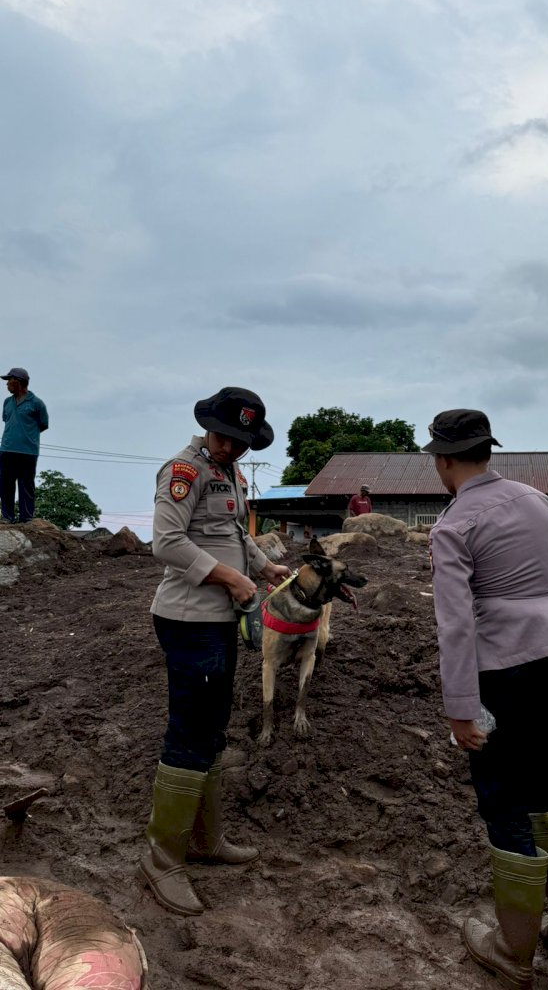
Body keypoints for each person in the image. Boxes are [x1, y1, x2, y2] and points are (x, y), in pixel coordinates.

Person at [424, 409, 548, 990]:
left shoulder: (453, 526)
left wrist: (459, 704)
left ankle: (513, 950)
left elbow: (455, 626)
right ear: (486, 451)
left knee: (502, 799)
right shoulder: (539, 502)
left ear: (443, 460)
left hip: (502, 672)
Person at [140, 387, 292, 916]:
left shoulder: (227, 473)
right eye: (226, 437)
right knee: (188, 730)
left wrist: (259, 565)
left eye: (242, 442)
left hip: (219, 619)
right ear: (209, 428)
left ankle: (205, 840)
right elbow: (167, 541)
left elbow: (230, 530)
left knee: (212, 727)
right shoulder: (182, 471)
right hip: (187, 619)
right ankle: (163, 859)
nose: (232, 447)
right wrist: (231, 578)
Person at [0, 367, 49, 524]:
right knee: (6, 484)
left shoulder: (36, 403)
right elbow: (6, 420)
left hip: (28, 451)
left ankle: (26, 518)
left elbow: (43, 424)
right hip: (7, 449)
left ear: (19, 382)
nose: (7, 384)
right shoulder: (7, 402)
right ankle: (7, 517)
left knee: (26, 485)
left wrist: (26, 437)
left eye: (9, 381)